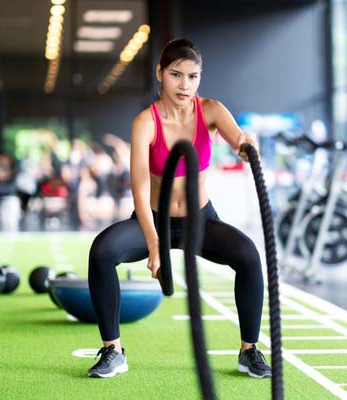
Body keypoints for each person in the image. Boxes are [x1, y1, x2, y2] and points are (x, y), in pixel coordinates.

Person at [87, 38, 271, 379]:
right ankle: (113, 350)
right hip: (153, 220)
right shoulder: (146, 122)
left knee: (248, 255)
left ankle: (249, 351)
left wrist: (247, 144)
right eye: (176, 74)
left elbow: (240, 145)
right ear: (160, 73)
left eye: (193, 76)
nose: (185, 85)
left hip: (200, 221)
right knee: (101, 251)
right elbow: (140, 188)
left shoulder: (212, 110)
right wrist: (154, 244)